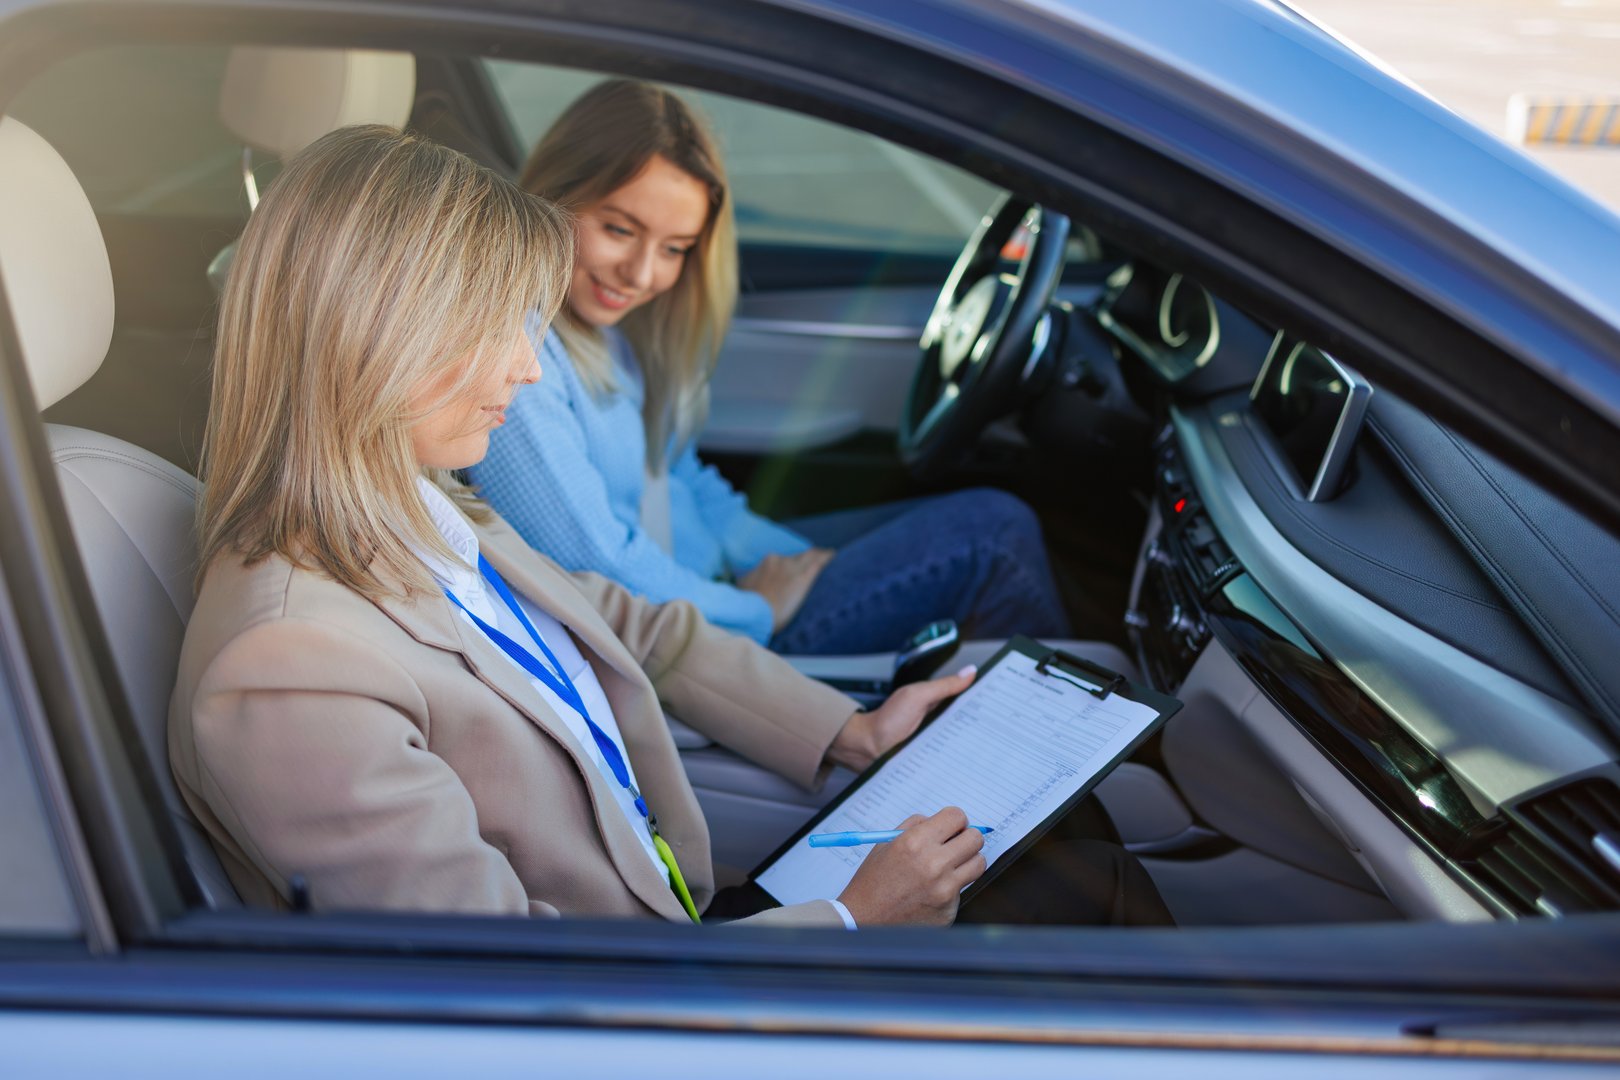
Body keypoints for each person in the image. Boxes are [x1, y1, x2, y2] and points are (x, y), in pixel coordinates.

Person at [168, 124, 1168, 928]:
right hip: (652, 997)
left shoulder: (421, 503)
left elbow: (631, 624)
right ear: (380, 341)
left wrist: (850, 732)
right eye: (495, 333)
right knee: (1097, 898)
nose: (526, 369)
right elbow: (513, 1008)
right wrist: (852, 923)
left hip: (674, 907)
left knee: (1078, 850)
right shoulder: (290, 666)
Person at [467, 79, 1073, 655]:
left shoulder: (610, 336)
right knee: (995, 536)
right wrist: (758, 609)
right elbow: (599, 566)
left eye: (675, 249)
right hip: (700, 638)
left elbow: (679, 479)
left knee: (982, 522)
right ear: (548, 197)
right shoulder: (517, 364)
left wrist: (793, 560)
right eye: (619, 229)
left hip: (713, 582)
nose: (643, 275)